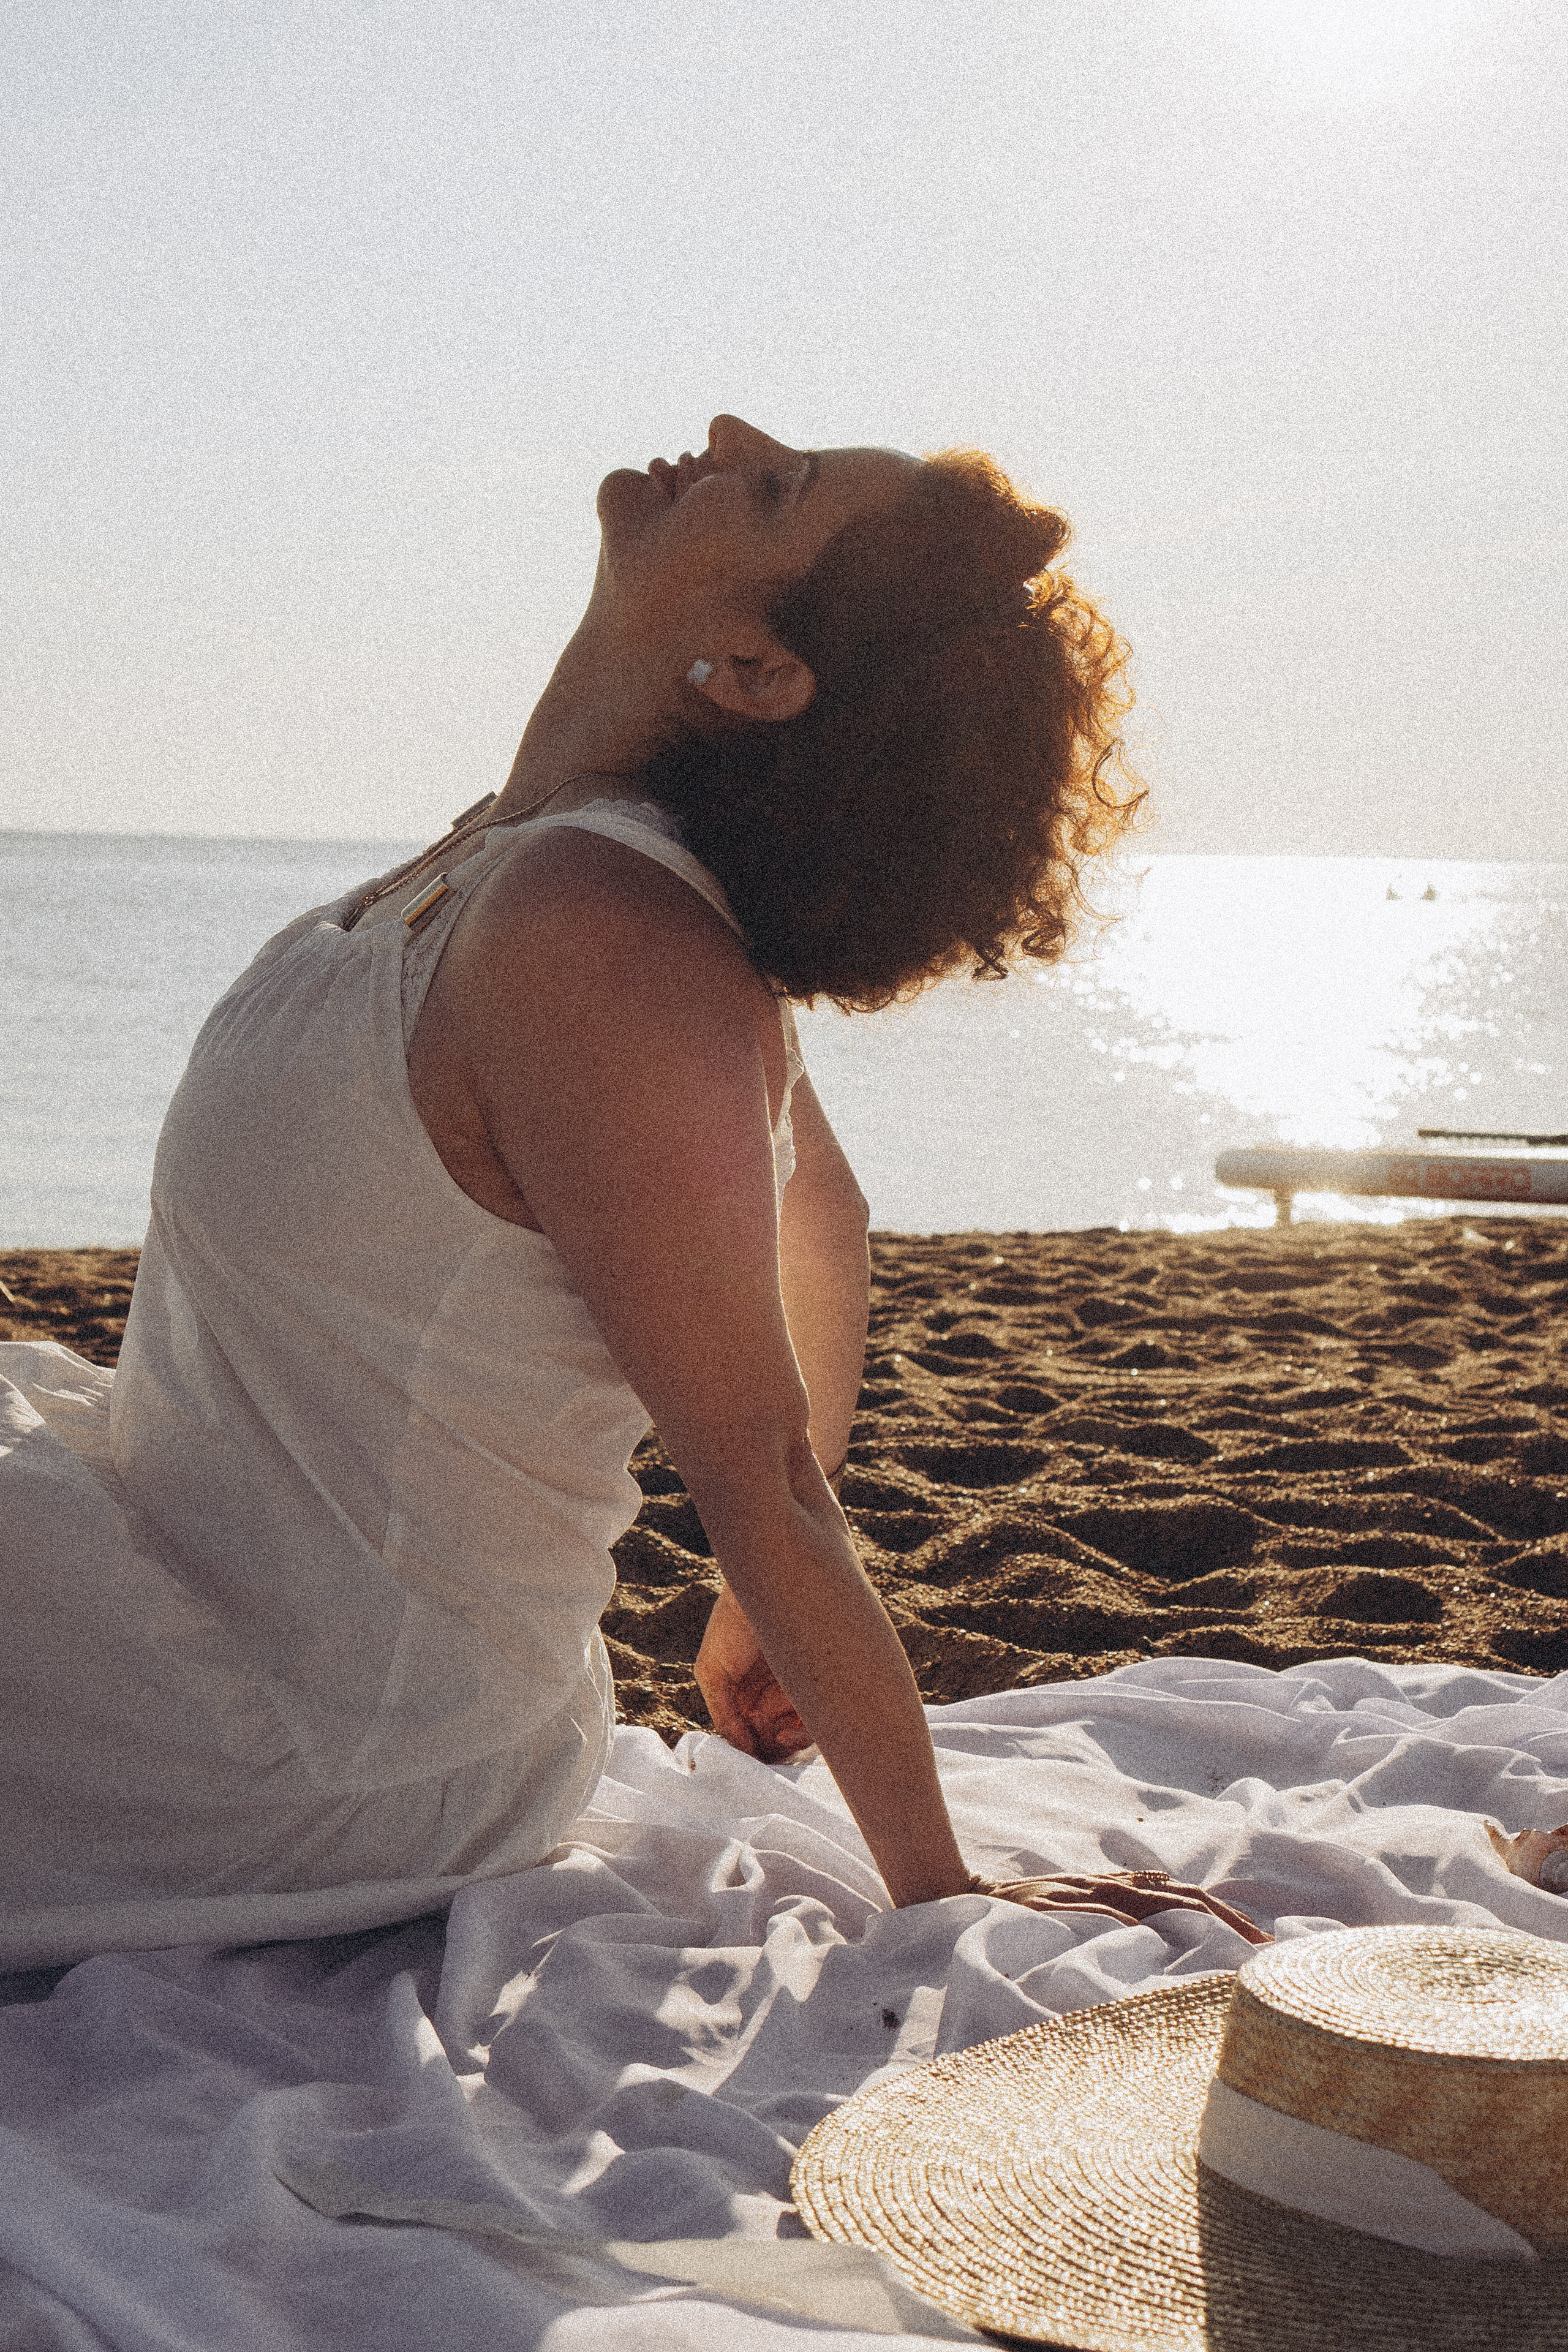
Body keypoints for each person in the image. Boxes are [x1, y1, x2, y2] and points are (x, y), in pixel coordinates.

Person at [0, 415, 1263, 1968]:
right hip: (168, 1574)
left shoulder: (604, 936)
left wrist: (937, 1891)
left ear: (752, 672)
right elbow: (824, 1218)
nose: (730, 437)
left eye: (779, 486)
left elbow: (764, 1469)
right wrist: (748, 1606)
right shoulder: (525, 861)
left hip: (312, 1741)